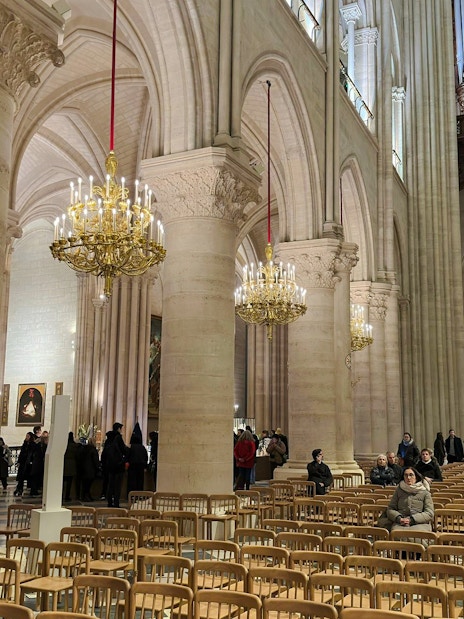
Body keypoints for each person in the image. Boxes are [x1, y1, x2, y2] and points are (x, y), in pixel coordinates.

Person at [386, 467, 434, 537]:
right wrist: (399, 518)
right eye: (406, 475)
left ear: (416, 477)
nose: (408, 478)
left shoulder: (424, 492)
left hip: (419, 523)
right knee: (397, 535)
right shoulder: (399, 490)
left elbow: (429, 513)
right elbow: (390, 508)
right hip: (401, 522)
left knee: (417, 537)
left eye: (411, 475)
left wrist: (412, 519)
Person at [105, 422, 128, 508]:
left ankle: (109, 502)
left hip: (110, 466)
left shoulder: (108, 439)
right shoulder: (118, 438)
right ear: (118, 429)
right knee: (117, 486)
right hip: (118, 466)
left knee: (110, 485)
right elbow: (124, 450)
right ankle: (116, 503)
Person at [78, 437, 100, 501]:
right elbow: (96, 461)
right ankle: (87, 496)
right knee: (88, 485)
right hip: (91, 470)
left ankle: (84, 496)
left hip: (83, 469)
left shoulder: (84, 449)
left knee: (85, 485)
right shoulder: (93, 450)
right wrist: (98, 467)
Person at [14, 432, 34, 496]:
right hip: (23, 463)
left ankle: (32, 490)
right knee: (21, 477)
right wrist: (19, 461)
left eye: (28, 436)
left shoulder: (33, 445)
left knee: (28, 478)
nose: (26, 437)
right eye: (26, 436)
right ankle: (19, 489)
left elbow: (32, 454)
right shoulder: (24, 444)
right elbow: (21, 453)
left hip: (29, 464)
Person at [63, 431, 79, 502]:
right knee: (69, 482)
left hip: (64, 464)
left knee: (62, 481)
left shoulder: (64, 445)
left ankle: (61, 495)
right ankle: (67, 496)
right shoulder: (75, 445)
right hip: (72, 464)